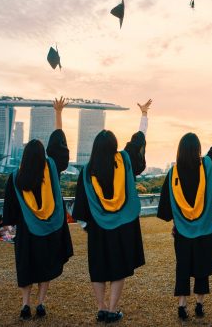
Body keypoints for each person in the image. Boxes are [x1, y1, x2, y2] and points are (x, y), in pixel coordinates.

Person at [72, 99, 151, 323]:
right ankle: (113, 309)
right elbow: (138, 140)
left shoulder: (87, 172)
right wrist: (144, 115)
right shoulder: (124, 160)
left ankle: (101, 307)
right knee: (118, 267)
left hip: (97, 226)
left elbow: (80, 205)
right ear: (114, 145)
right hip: (123, 225)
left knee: (98, 267)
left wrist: (87, 225)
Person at [2, 97, 74, 321]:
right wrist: (59, 113)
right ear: (43, 156)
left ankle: (25, 305)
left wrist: (14, 225)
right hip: (51, 229)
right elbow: (59, 145)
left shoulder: (15, 178)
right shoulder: (51, 168)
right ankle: (41, 304)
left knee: (27, 267)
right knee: (46, 266)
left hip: (27, 231)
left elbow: (10, 211)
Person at [157, 111, 212, 321]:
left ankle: (182, 306)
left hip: (182, 232)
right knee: (201, 268)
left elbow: (166, 206)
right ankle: (199, 305)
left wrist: (177, 222)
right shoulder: (207, 165)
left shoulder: (173, 174)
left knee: (182, 268)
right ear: (198, 149)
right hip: (205, 230)